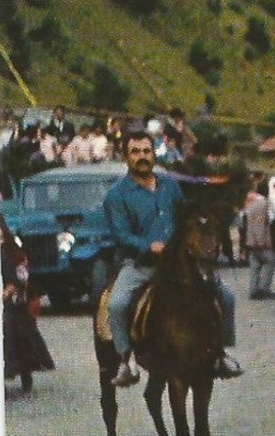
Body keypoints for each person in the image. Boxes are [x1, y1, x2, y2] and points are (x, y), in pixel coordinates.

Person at [101, 127, 241, 387]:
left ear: (154, 154)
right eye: (135, 152)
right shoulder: (117, 195)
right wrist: (147, 246)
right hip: (141, 265)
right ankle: (126, 360)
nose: (142, 156)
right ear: (126, 157)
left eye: (146, 151)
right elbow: (121, 236)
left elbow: (185, 217)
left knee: (226, 297)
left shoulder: (170, 185)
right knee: (117, 304)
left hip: (178, 264)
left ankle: (221, 353)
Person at [2, 218, 53, 393]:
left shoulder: (14, 253)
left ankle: (22, 369)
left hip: (12, 299)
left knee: (11, 322)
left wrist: (11, 288)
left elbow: (21, 275)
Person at [239, 177, 275, 299]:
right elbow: (261, 223)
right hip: (261, 240)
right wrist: (262, 241)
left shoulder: (245, 200)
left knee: (254, 265)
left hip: (248, 240)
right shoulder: (261, 201)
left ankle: (253, 289)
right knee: (270, 261)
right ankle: (263, 289)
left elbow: (242, 223)